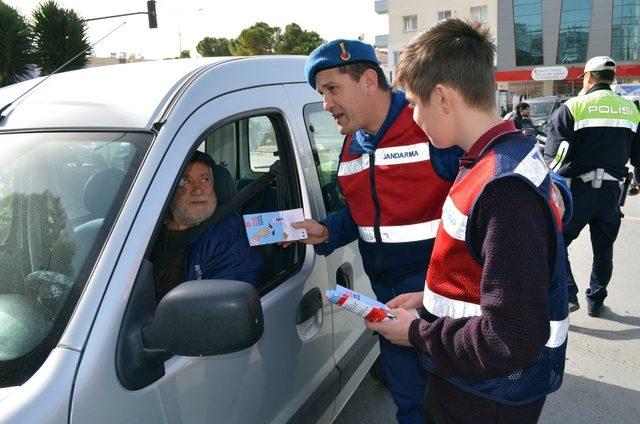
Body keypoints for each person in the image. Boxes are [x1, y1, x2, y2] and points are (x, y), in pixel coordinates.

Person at [366, 19, 569, 423]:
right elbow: (492, 276)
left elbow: (509, 337)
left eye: (413, 103)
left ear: (442, 97)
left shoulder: (502, 187)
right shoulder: (499, 157)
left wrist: (414, 333)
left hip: (484, 396)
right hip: (476, 386)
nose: (413, 117)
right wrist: (430, 302)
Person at [296, 39, 462, 424]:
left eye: (332, 89)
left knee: (456, 406)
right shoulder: (353, 142)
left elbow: (492, 187)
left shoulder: (426, 124)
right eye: (321, 93)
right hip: (388, 305)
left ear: (369, 81)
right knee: (410, 406)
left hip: (444, 304)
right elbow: (364, 213)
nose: (326, 104)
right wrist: (326, 230)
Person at [544, 56, 640, 317]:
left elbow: (559, 153)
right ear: (612, 78)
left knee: (556, 241)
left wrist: (544, 178)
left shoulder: (574, 106)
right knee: (603, 249)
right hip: (611, 194)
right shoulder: (631, 109)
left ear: (588, 77)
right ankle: (596, 301)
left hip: (578, 193)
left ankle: (568, 291)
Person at [151, 151, 263, 300]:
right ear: (169, 189)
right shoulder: (147, 223)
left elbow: (223, 305)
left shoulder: (229, 234)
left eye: (205, 179)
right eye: (185, 181)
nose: (197, 190)